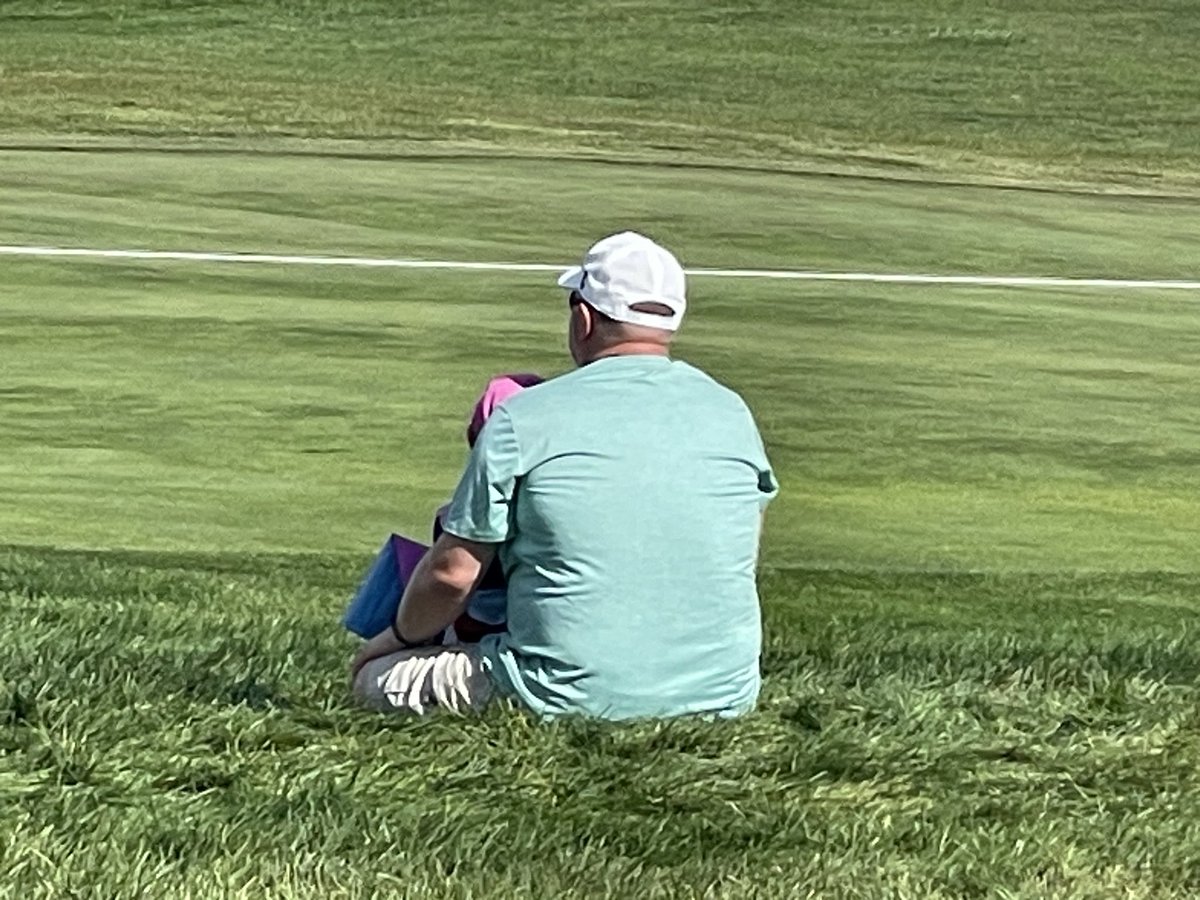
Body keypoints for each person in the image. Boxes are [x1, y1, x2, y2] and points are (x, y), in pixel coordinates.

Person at [350, 231, 778, 719]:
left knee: (374, 679)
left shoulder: (522, 417)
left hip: (559, 694)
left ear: (584, 317)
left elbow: (452, 575)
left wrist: (394, 641)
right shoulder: (732, 413)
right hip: (724, 694)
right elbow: (740, 550)